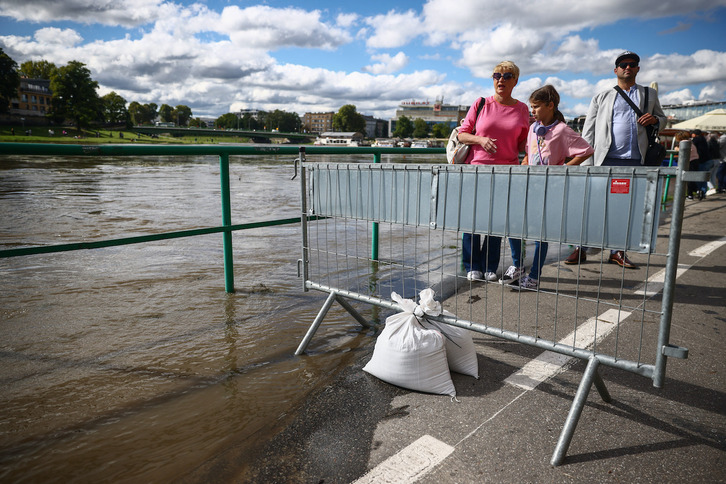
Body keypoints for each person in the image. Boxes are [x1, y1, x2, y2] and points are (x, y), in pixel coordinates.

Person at [566, 51, 666, 269]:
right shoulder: (601, 97)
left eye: (632, 64)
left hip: (634, 161)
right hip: (604, 160)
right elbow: (588, 132)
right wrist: (586, 164)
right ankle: (580, 248)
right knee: (592, 206)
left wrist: (656, 119)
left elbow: (663, 119)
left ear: (638, 68)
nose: (627, 67)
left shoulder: (649, 95)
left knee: (624, 208)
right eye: (622, 64)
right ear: (616, 70)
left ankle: (617, 251)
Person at [457, 60, 529, 283]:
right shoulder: (481, 104)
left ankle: (490, 266)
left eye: (507, 76)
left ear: (515, 81)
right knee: (472, 220)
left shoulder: (522, 109)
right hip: (477, 170)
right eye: (497, 75)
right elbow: (462, 134)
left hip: (506, 172)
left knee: (496, 221)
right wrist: (480, 139)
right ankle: (471, 265)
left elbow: (525, 143)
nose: (501, 80)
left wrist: (530, 157)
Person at [516, 85, 594, 290]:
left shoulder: (562, 130)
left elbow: (587, 150)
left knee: (543, 233)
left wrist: (564, 168)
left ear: (550, 106)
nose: (533, 111)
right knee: (515, 224)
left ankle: (533, 276)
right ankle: (517, 266)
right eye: (531, 107)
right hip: (530, 185)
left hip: (551, 189)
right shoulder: (534, 128)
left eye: (536, 107)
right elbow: (528, 154)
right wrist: (523, 171)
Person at [688, 129, 710, 199]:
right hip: (707, 160)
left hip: (699, 160)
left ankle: (698, 190)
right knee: (704, 177)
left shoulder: (695, 140)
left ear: (695, 134)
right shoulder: (704, 139)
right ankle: (703, 192)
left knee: (698, 177)